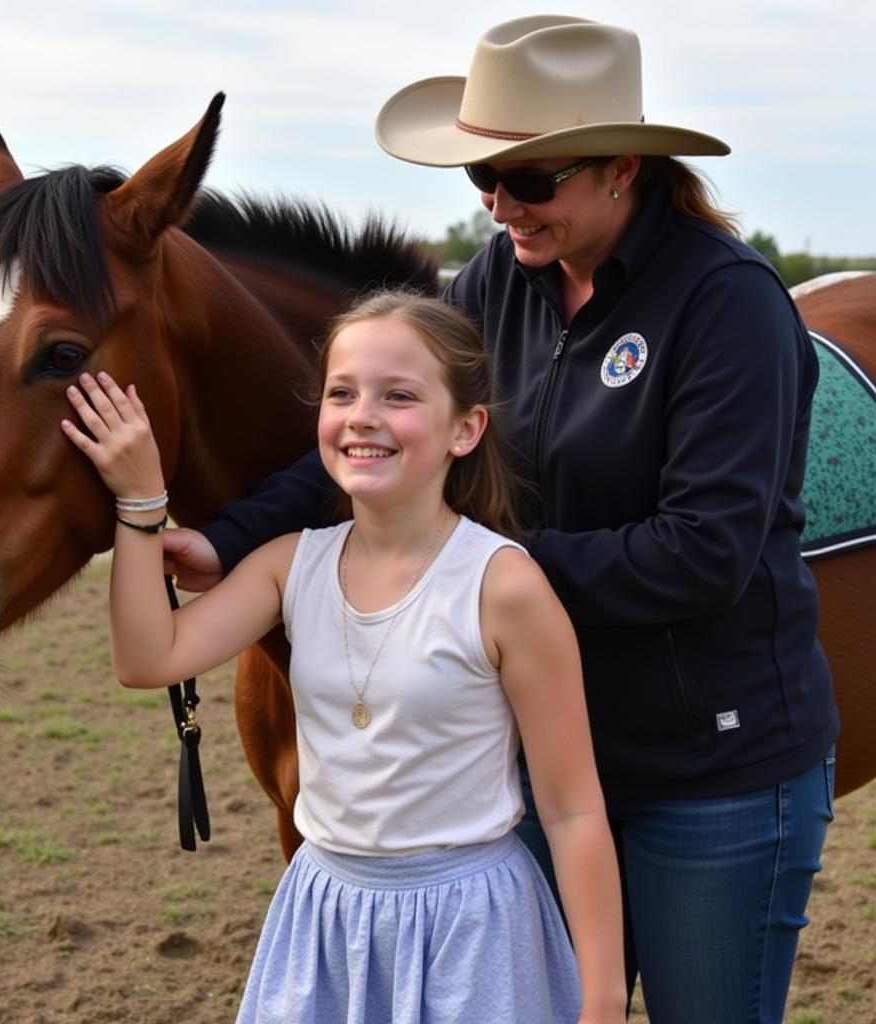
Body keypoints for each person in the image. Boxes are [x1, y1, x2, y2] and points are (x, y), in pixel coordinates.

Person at [161, 15, 841, 1024]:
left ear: (621, 167)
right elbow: (377, 443)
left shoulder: (726, 304)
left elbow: (703, 553)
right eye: (481, 177)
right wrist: (227, 537)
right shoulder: (491, 283)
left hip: (708, 764)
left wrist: (479, 574)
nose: (497, 204)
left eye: (530, 181)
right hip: (535, 753)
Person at [61, 290, 626, 1024]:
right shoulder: (287, 565)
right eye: (341, 392)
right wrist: (140, 503)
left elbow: (573, 808)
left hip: (470, 927)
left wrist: (604, 1001)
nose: (363, 414)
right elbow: (147, 658)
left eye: (399, 395)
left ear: (465, 429)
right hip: (324, 916)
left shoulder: (504, 584)